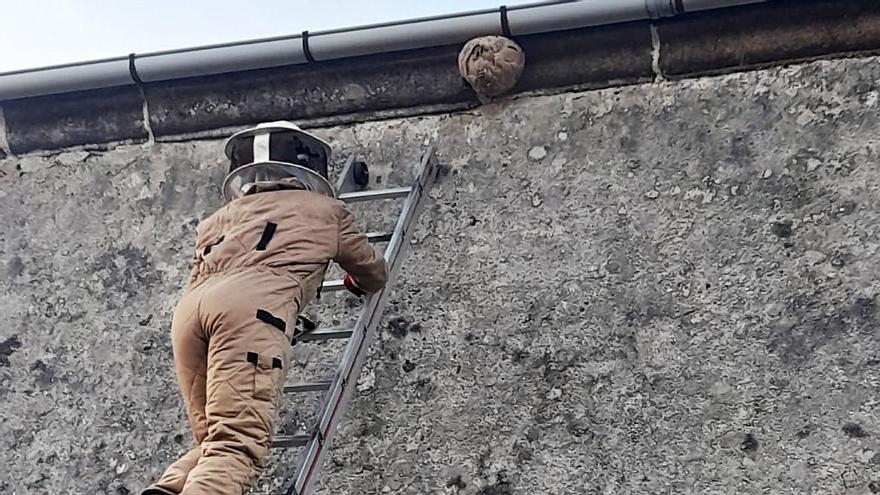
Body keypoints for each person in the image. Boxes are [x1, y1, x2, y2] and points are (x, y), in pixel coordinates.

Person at [141, 121, 388, 495]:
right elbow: (371, 271)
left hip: (191, 314)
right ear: (306, 166)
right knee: (238, 443)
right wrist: (358, 281)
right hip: (251, 312)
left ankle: (172, 487)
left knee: (213, 438)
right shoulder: (326, 211)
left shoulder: (217, 220)